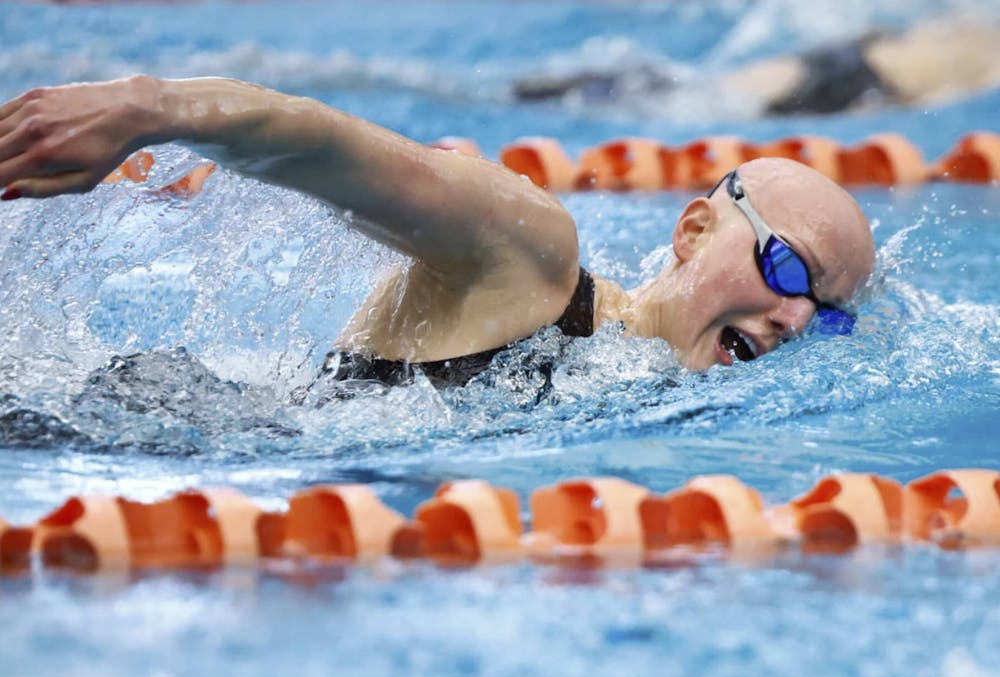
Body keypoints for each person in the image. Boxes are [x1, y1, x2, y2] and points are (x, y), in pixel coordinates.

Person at [0, 75, 874, 388]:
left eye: (825, 312)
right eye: (791, 271)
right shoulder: (533, 257)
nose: (797, 319)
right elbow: (328, 145)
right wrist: (147, 107)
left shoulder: (646, 389)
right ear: (691, 232)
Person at [514, 17, 1000, 117]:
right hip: (862, 83)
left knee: (709, 93)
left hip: (854, 55)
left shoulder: (972, 24)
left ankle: (586, 88)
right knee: (708, 101)